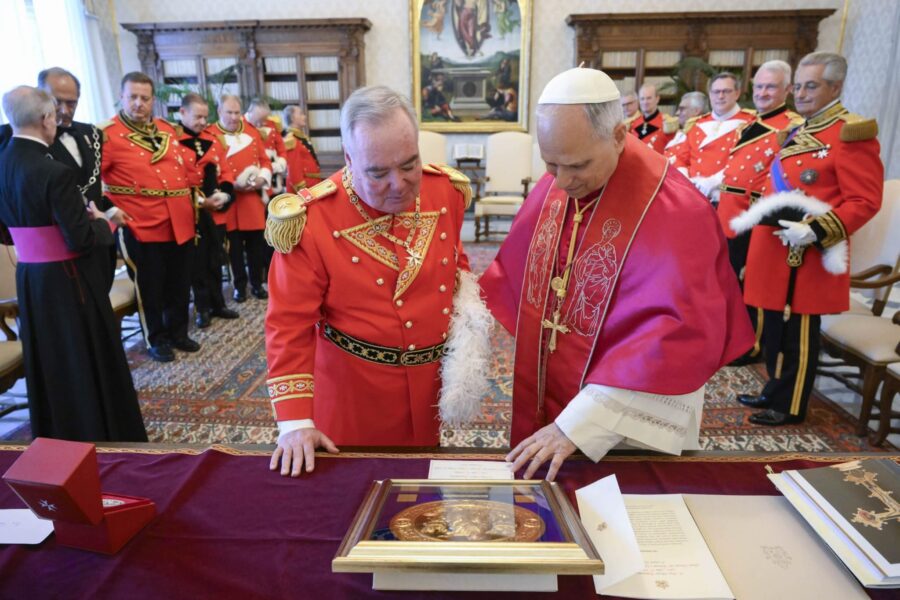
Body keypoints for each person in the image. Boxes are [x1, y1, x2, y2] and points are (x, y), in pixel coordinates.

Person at [479, 67, 753, 481]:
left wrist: (578, 424)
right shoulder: (560, 181)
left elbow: (670, 337)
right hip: (552, 390)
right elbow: (518, 274)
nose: (562, 181)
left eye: (576, 165)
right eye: (550, 164)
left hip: (627, 421)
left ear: (618, 134)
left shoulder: (678, 211)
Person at [264, 85, 490, 476]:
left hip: (427, 391)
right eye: (378, 173)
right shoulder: (311, 220)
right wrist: (296, 422)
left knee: (421, 495)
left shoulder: (446, 192)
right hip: (354, 396)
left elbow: (455, 270)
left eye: (408, 165)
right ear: (349, 159)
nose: (399, 185)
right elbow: (287, 325)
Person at [730, 52, 883, 426]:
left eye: (810, 86)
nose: (800, 93)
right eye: (797, 86)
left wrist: (816, 230)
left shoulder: (850, 133)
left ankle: (790, 404)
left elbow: (865, 201)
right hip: (773, 248)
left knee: (797, 335)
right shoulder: (800, 130)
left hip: (805, 255)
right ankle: (774, 390)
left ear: (836, 86)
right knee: (773, 332)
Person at [0, 85, 147, 442]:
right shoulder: (55, 172)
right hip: (68, 282)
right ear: (47, 119)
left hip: (31, 279)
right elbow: (81, 239)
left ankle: (59, 433)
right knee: (83, 357)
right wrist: (105, 220)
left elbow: (6, 234)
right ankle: (100, 431)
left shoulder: (3, 161)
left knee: (50, 358)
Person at [101, 72, 198, 363]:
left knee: (179, 282)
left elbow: (183, 169)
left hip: (178, 221)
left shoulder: (166, 129)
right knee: (151, 286)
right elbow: (89, 182)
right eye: (132, 97)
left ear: (153, 100)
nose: (138, 103)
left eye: (144, 98)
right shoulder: (107, 134)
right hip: (140, 223)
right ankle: (157, 339)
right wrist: (108, 209)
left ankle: (179, 333)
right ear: (121, 96)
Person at [0, 68, 124, 287]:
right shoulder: (12, 139)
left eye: (72, 103)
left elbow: (90, 184)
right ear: (41, 99)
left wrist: (108, 208)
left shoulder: (92, 134)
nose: (65, 111)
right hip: (56, 261)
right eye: (57, 102)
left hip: (97, 250)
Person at [716, 61, 803, 364]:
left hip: (757, 213)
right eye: (760, 86)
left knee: (751, 284)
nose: (764, 93)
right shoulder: (750, 122)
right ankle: (730, 338)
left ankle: (750, 345)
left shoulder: (791, 126)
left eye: (772, 87)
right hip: (730, 211)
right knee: (729, 280)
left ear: (787, 90)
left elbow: (783, 175)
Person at [175, 93, 240, 328]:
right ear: (182, 113)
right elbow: (175, 179)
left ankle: (218, 303)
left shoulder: (214, 140)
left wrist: (224, 193)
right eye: (198, 116)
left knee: (215, 258)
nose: (203, 122)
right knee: (197, 263)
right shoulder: (171, 141)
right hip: (190, 212)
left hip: (215, 211)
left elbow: (226, 172)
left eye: (205, 117)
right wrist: (201, 202)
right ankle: (202, 308)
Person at [206, 94, 272, 302]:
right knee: (234, 248)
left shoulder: (252, 132)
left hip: (252, 199)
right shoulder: (210, 134)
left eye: (237, 112)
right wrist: (232, 184)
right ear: (219, 111)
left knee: (255, 246)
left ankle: (257, 284)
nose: (234, 117)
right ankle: (239, 287)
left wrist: (262, 178)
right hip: (230, 200)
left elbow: (265, 161)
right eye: (229, 112)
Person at [667, 73, 756, 203]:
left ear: (737, 93)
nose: (720, 96)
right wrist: (686, 182)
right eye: (716, 92)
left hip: (725, 198)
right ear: (710, 94)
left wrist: (713, 182)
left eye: (726, 91)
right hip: (692, 196)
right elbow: (681, 158)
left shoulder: (750, 123)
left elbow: (746, 162)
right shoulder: (697, 124)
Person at [281, 105, 322, 193]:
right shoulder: (290, 139)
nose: (305, 117)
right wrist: (302, 191)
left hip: (312, 184)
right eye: (301, 114)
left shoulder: (300, 136)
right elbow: (293, 170)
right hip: (304, 188)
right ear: (292, 118)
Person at [628, 83, 678, 154]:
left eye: (649, 98)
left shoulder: (667, 123)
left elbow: (673, 151)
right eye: (642, 99)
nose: (645, 102)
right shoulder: (633, 123)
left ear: (657, 99)